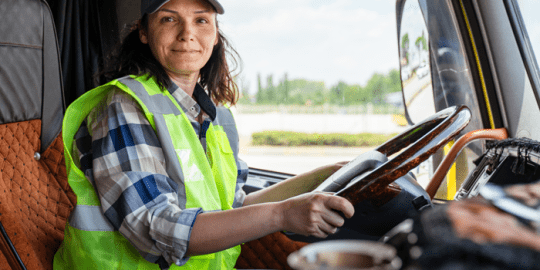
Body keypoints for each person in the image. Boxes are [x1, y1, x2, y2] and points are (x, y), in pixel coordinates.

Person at [53, 0, 354, 269]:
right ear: (144, 32)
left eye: (201, 20)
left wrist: (322, 176)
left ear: (215, 33)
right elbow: (155, 227)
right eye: (169, 19)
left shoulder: (214, 116)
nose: (187, 33)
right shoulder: (124, 106)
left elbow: (234, 207)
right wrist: (282, 215)